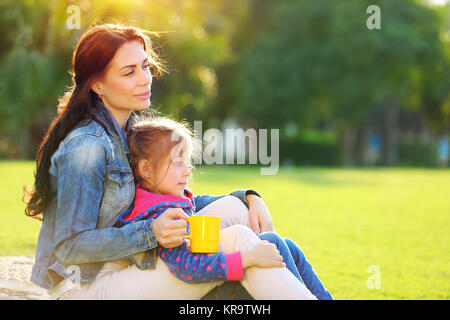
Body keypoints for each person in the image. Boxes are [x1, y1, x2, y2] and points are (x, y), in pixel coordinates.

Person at [23, 23, 313, 300]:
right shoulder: (86, 148)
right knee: (238, 240)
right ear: (98, 85)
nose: (145, 78)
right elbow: (69, 247)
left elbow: (165, 201)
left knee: (240, 211)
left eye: (145, 66)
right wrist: (151, 232)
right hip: (83, 286)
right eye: (129, 72)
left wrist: (248, 197)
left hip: (124, 264)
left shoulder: (128, 131)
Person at [114, 116, 332, 299]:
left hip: (207, 277)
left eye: (187, 162)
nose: (187, 172)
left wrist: (250, 197)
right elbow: (188, 268)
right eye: (177, 162)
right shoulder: (161, 214)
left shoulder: (164, 198)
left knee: (288, 246)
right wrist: (247, 258)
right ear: (146, 169)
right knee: (273, 243)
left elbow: (199, 201)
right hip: (196, 287)